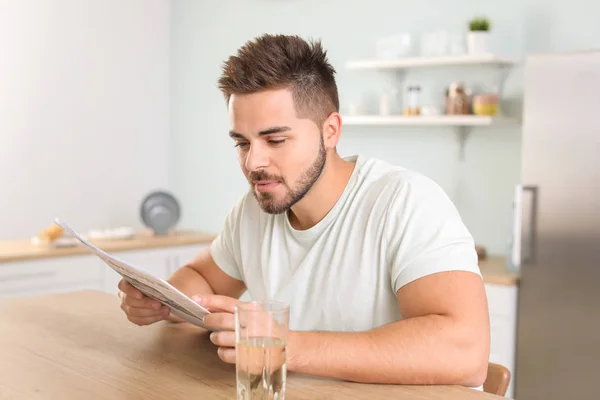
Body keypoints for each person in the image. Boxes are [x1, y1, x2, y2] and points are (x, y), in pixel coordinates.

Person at [118, 33, 490, 388]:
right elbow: (202, 277)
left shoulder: (405, 202)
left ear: (330, 131)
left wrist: (286, 345)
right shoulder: (253, 212)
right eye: (242, 143)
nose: (254, 162)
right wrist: (161, 302)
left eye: (275, 140)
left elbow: (466, 352)